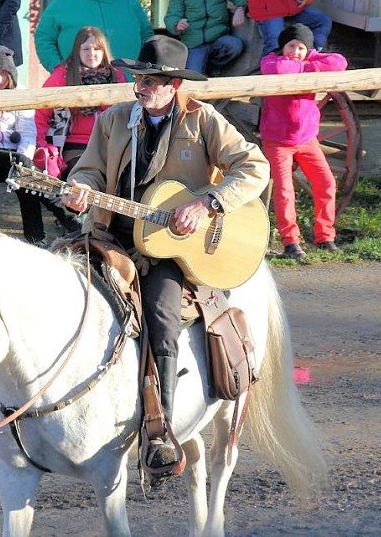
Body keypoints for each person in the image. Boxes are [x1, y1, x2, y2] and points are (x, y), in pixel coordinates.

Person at [61, 35, 269, 470]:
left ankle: (162, 429)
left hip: (169, 250)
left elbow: (255, 167)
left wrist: (209, 203)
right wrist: (80, 189)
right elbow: (89, 170)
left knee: (161, 314)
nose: (140, 86)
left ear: (174, 85)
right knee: (59, 284)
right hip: (111, 235)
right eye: (138, 78)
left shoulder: (203, 120)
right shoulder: (114, 120)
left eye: (151, 81)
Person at [260, 23, 346, 259]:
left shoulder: (309, 58)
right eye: (291, 46)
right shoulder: (271, 60)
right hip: (278, 140)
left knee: (326, 183)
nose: (295, 52)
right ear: (282, 46)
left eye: (301, 48)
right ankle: (291, 243)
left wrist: (306, 65)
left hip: (307, 139)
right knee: (285, 191)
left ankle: (325, 237)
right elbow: (278, 69)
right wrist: (307, 69)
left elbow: (339, 62)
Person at [0, 45, 66, 246]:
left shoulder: (21, 93)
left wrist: (24, 158)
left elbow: (28, 132)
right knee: (25, 173)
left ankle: (35, 239)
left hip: (14, 156)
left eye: (3, 74)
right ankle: (66, 218)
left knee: (25, 180)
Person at [34, 26, 126, 239]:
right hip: (75, 145)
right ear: (77, 51)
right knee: (82, 177)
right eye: (86, 49)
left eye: (97, 49)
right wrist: (43, 144)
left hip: (109, 143)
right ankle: (80, 225)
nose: (92, 54)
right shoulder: (63, 75)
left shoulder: (117, 76)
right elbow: (41, 111)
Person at [35, 0, 154, 73]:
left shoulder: (128, 1)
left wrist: (142, 68)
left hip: (128, 81)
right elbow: (44, 37)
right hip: (77, 81)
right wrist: (58, 69)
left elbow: (147, 35)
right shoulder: (62, 2)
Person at [164, 0, 247, 75]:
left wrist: (241, 8)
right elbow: (172, 15)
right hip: (194, 44)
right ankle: (204, 66)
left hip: (218, 37)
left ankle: (212, 68)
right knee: (194, 75)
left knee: (235, 45)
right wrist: (176, 25)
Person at [242, 0, 332, 56]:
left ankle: (309, 55)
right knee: (275, 43)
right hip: (268, 11)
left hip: (290, 7)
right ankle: (269, 64)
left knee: (323, 21)